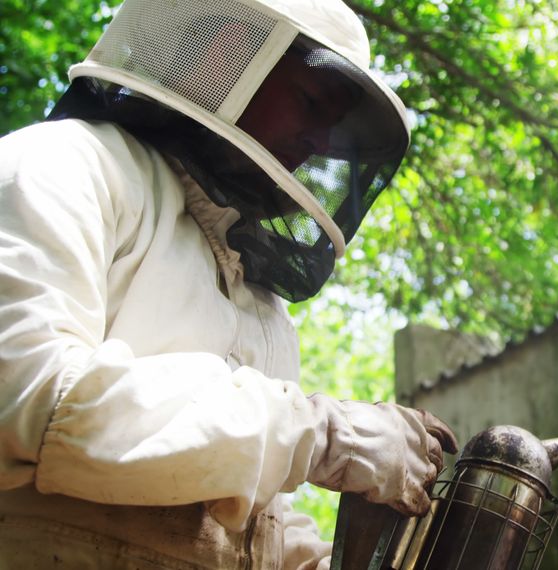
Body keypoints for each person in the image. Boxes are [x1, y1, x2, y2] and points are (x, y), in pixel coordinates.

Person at [0, 0, 458, 568]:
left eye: (331, 126)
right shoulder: (60, 166)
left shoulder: (261, 304)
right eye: (311, 104)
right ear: (226, 54)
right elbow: (25, 396)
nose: (318, 143)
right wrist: (322, 434)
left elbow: (249, 521)